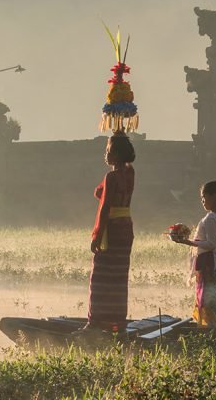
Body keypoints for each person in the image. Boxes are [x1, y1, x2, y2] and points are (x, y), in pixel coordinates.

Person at [87, 132, 135, 332]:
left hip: (113, 228)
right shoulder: (130, 173)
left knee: (100, 277)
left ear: (115, 154)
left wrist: (96, 237)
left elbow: (105, 206)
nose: (105, 155)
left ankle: (95, 322)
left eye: (108, 151)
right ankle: (116, 320)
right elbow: (101, 192)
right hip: (126, 228)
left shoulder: (111, 177)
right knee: (118, 277)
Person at [173, 181, 216, 327]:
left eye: (204, 197)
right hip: (207, 261)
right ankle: (208, 326)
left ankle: (210, 327)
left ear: (214, 197)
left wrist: (187, 242)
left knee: (208, 299)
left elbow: (211, 244)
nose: (202, 201)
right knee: (208, 298)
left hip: (208, 262)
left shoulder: (211, 218)